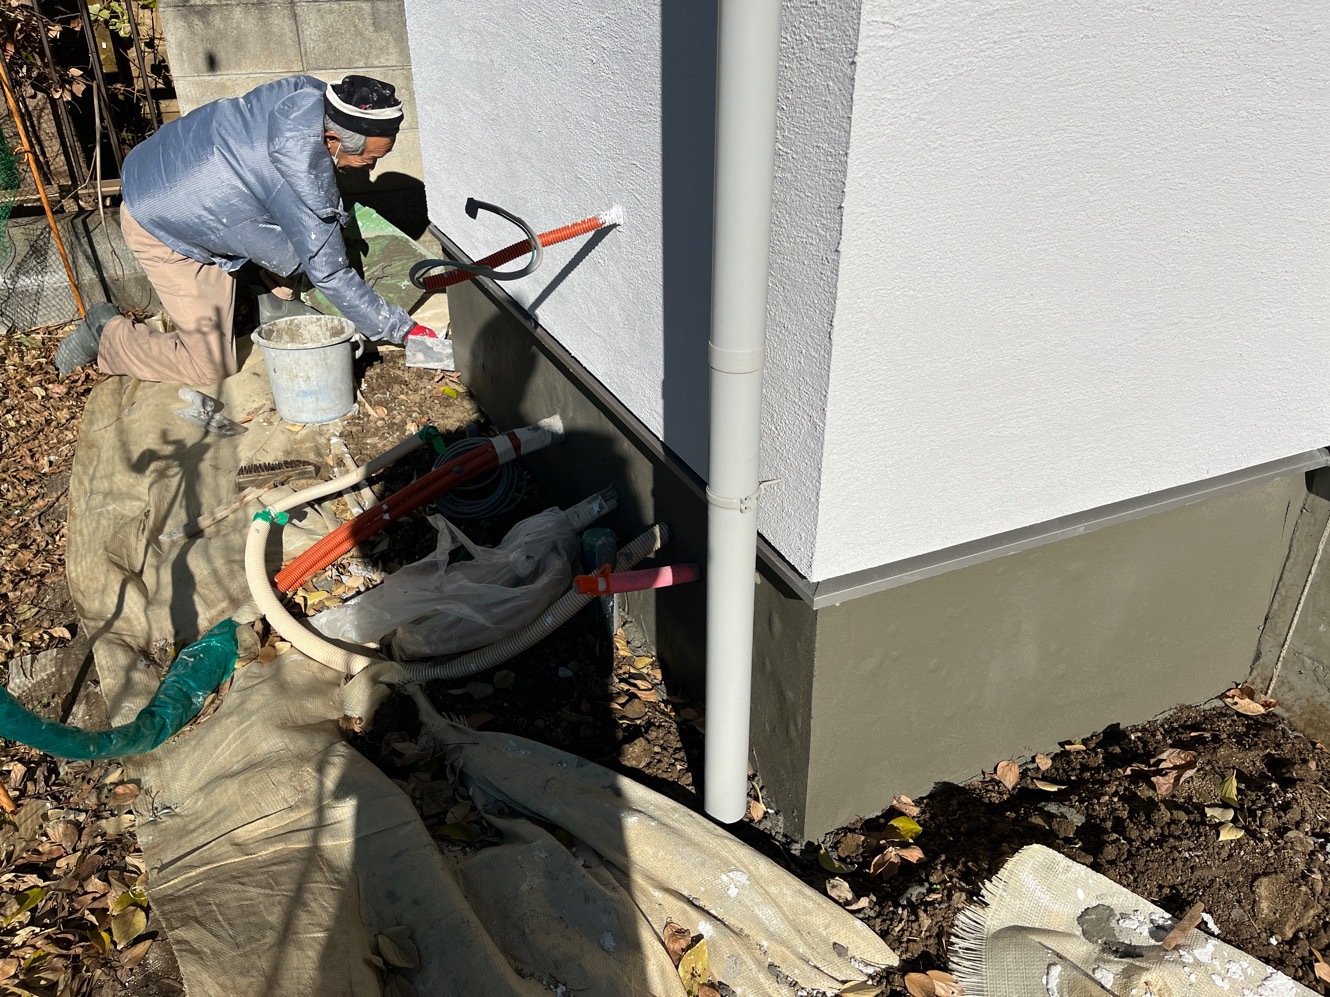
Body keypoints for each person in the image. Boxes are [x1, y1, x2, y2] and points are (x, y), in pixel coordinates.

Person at [55, 74, 436, 383]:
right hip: (161, 224)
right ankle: (107, 334)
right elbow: (332, 273)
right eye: (369, 158)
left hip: (163, 168)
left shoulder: (307, 99)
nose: (371, 168)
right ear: (332, 139)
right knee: (209, 368)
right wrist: (403, 330)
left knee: (307, 240)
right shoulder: (297, 181)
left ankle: (275, 303)